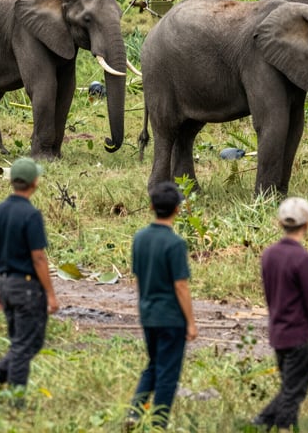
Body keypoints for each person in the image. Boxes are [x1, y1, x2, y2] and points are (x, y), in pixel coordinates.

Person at [0, 157, 59, 403]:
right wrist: (51, 294)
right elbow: (38, 257)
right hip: (27, 288)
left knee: (21, 343)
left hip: (6, 283)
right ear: (34, 182)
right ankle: (15, 400)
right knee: (26, 346)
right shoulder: (31, 215)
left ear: (12, 182)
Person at [252, 197, 308, 433]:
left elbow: (270, 295)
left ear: (280, 223)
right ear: (307, 224)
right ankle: (271, 425)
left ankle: (263, 424)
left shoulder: (269, 255)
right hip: (300, 335)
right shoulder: (304, 259)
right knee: (294, 391)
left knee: (290, 387)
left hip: (278, 333)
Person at [125, 182, 198, 430]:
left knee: (154, 364)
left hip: (148, 313)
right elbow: (181, 286)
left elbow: (138, 277)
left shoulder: (140, 238)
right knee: (168, 372)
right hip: (171, 317)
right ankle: (159, 423)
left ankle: (135, 413)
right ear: (178, 209)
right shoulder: (175, 244)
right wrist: (190, 322)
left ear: (151, 206)